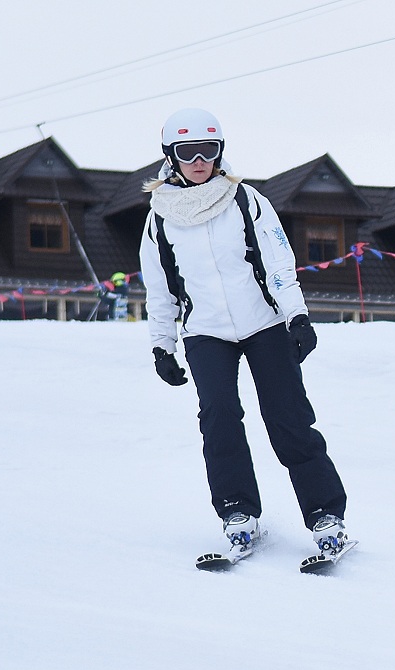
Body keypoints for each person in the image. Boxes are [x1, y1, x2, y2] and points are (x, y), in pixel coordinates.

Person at [138, 108, 350, 560]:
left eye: (208, 151)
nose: (199, 161)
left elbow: (278, 261)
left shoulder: (244, 200)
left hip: (265, 324)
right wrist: (162, 345)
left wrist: (297, 317)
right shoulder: (159, 219)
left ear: (220, 152)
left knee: (288, 418)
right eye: (187, 152)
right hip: (205, 332)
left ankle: (326, 515)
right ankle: (238, 513)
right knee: (219, 419)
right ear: (170, 157)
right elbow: (160, 290)